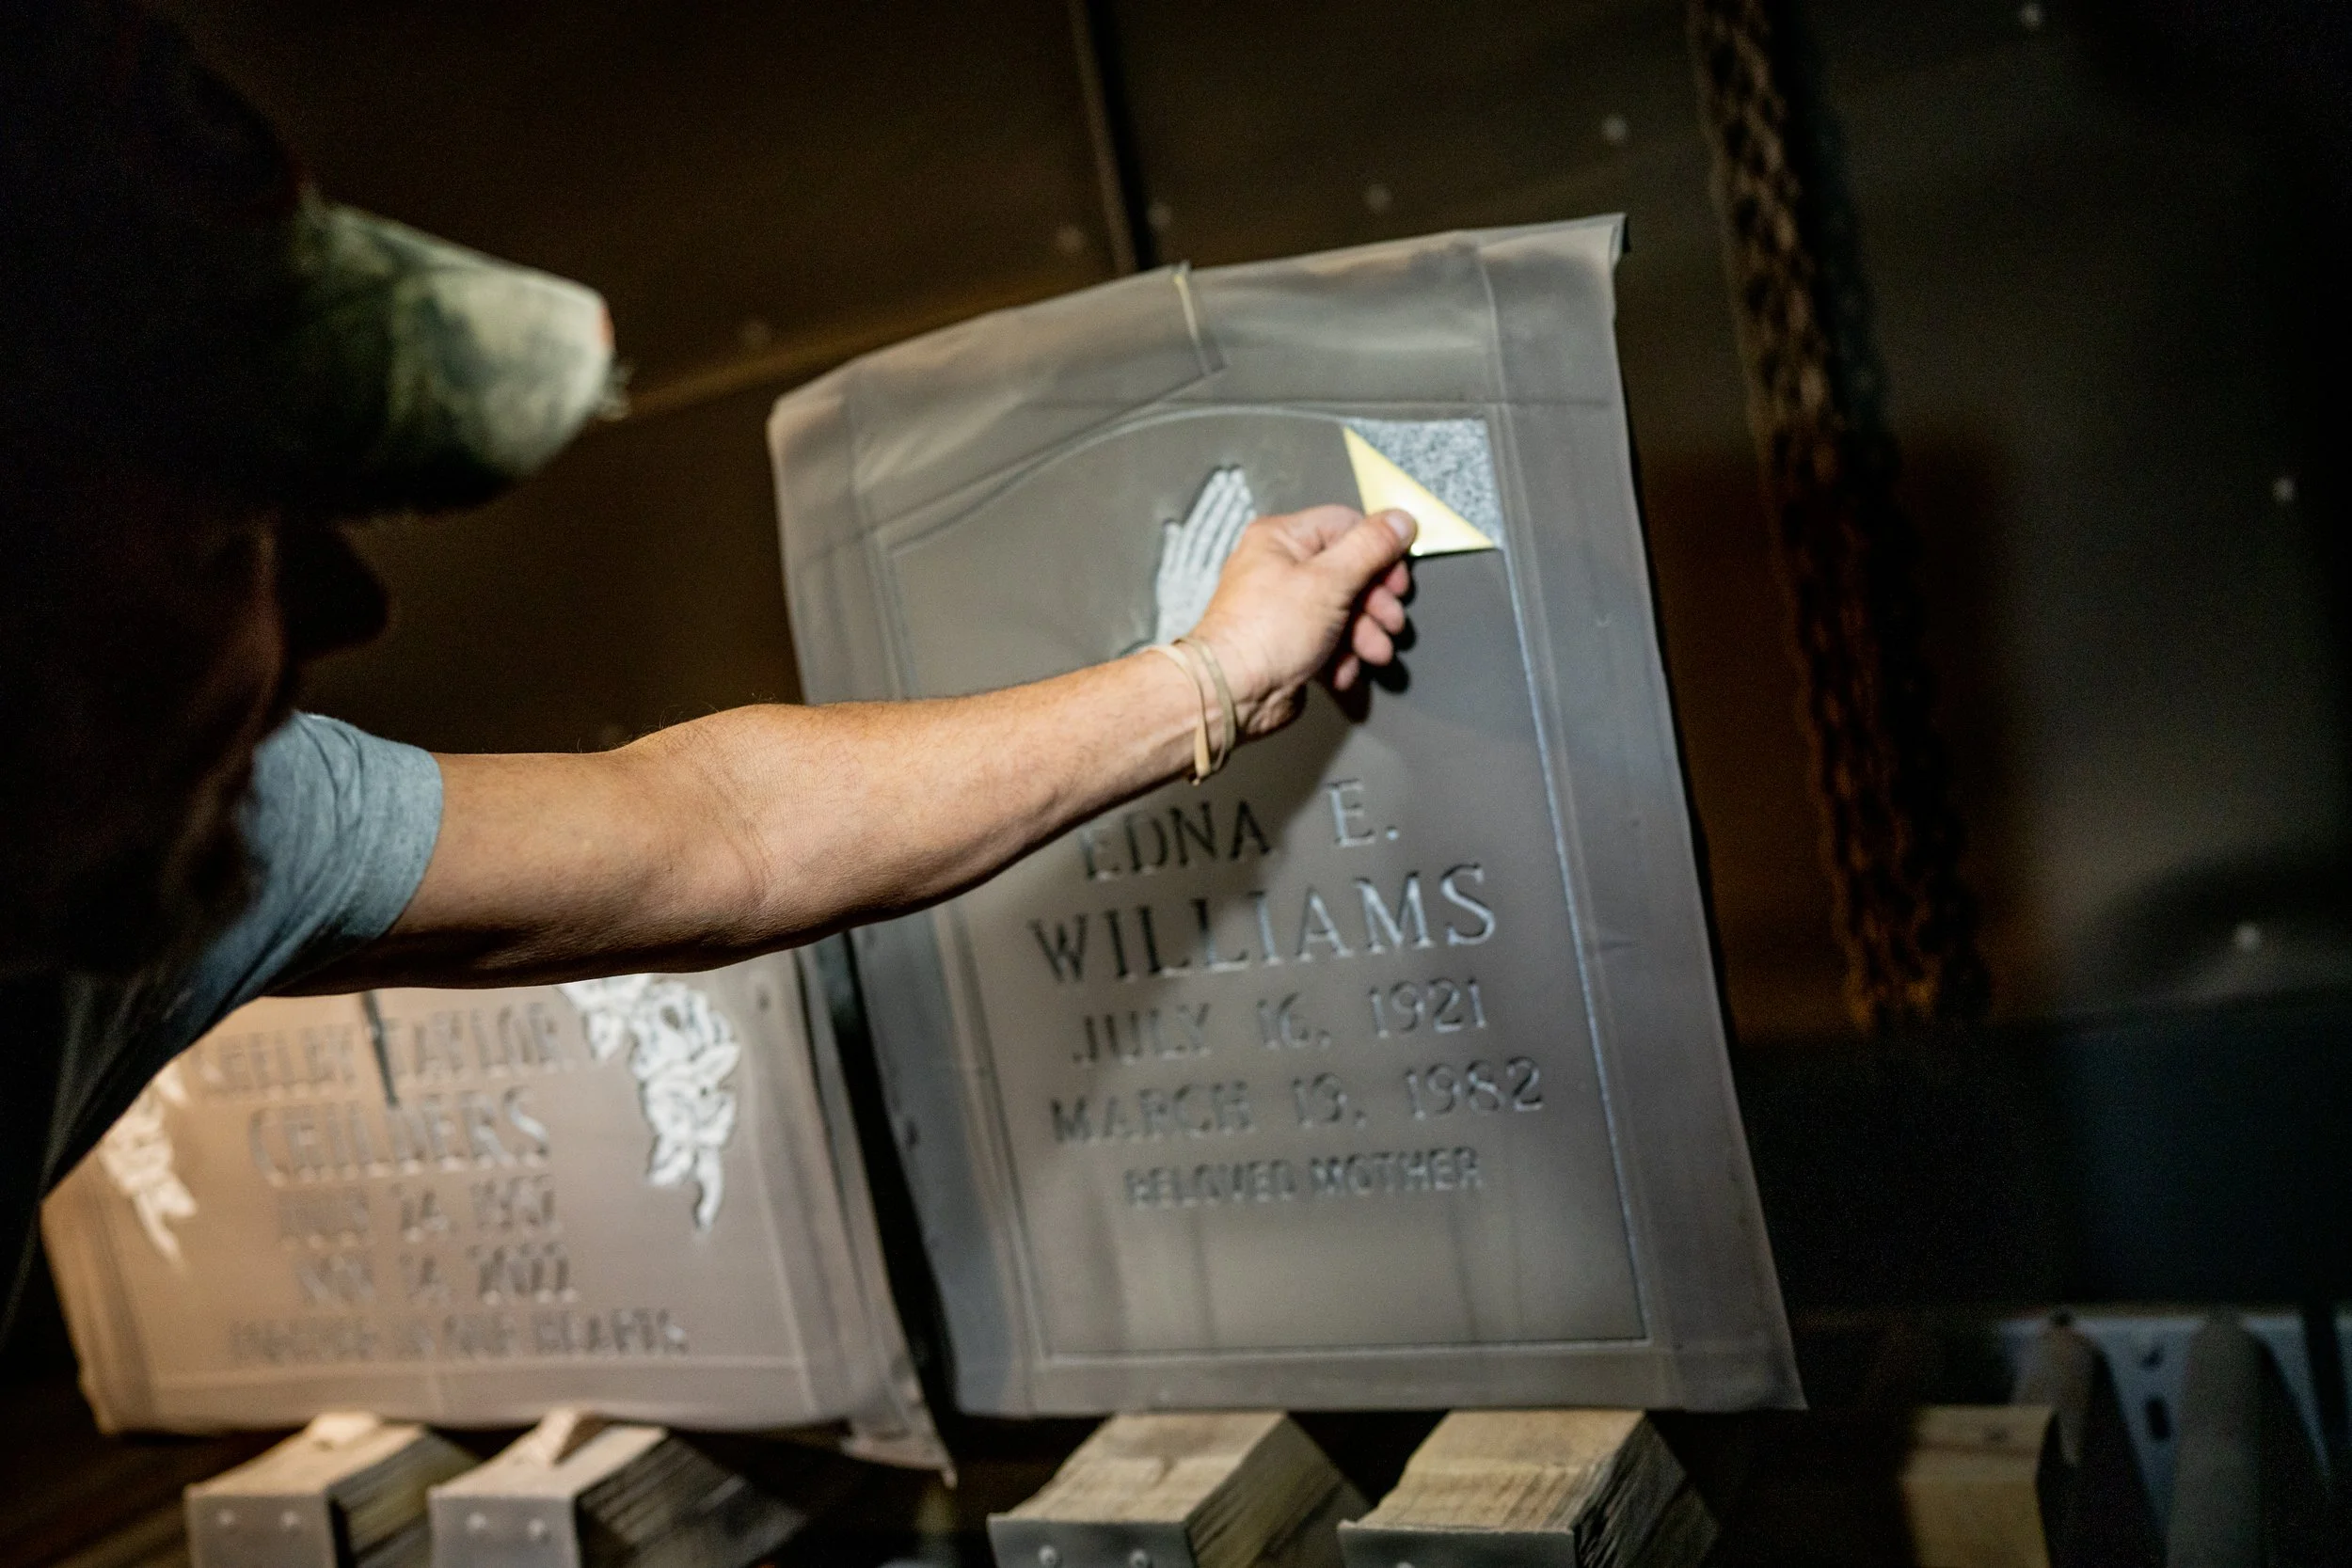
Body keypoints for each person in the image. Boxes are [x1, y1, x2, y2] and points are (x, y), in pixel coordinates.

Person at [0, 2, 1414, 1324]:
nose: (341, 611)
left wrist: (1214, 674)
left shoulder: (209, 814)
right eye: (214, 535)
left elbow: (710, 835)